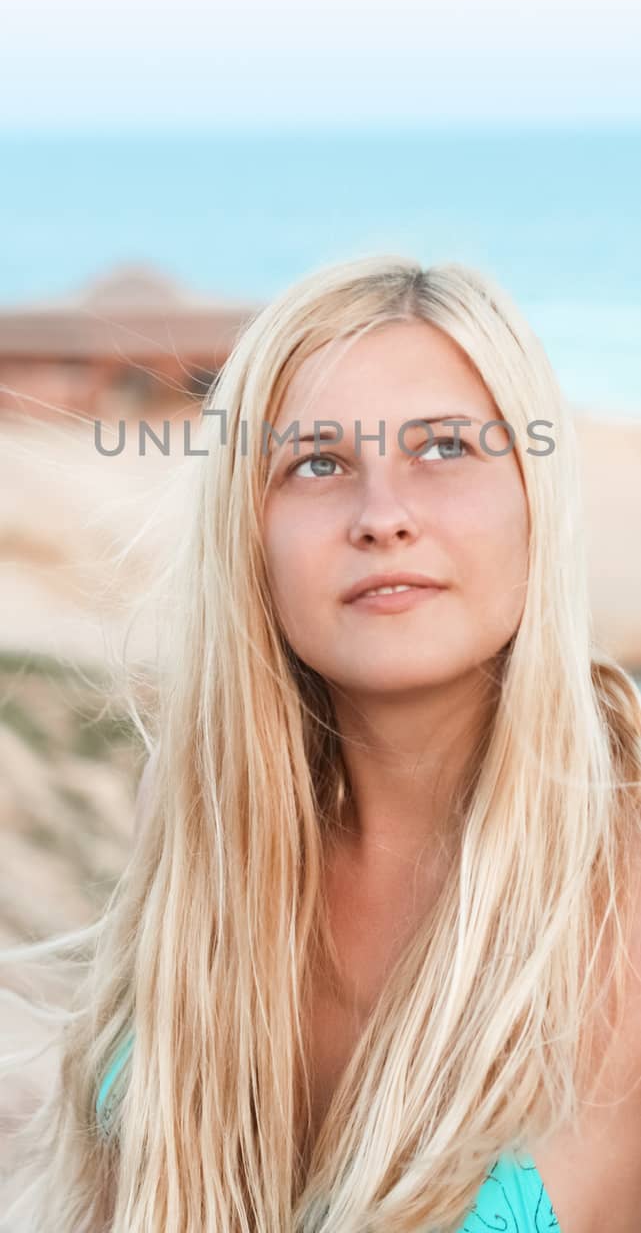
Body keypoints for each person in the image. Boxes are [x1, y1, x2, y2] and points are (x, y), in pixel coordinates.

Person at [3, 252, 641, 1233]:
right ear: (247, 535)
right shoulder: (200, 819)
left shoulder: (620, 876)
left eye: (443, 448)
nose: (381, 515)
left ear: (532, 500)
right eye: (315, 462)